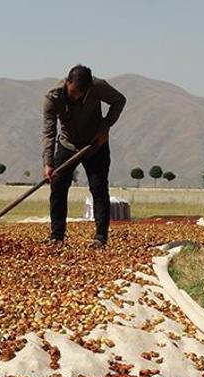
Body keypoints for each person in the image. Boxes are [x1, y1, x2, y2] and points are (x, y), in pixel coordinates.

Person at [41, 64, 126, 248]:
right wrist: (48, 163)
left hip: (95, 145)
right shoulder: (52, 97)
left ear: (88, 88)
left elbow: (119, 100)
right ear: (67, 82)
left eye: (81, 94)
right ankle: (57, 237)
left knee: (98, 189)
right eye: (73, 93)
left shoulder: (98, 86)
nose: (76, 97)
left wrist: (104, 128)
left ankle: (100, 238)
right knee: (58, 188)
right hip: (67, 145)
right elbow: (49, 132)